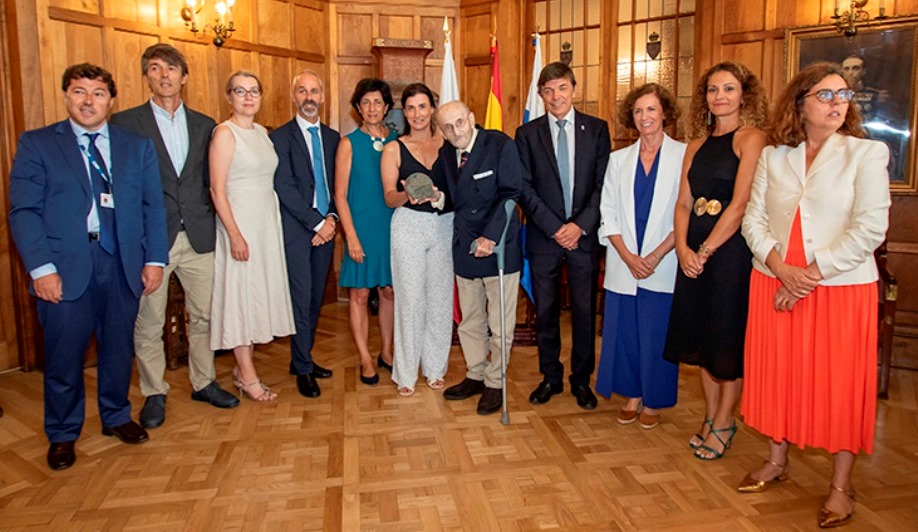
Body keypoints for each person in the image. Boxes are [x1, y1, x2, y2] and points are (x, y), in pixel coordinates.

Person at [739, 62, 890, 529]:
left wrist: (807, 276)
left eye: (844, 95)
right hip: (773, 280)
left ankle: (841, 485)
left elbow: (871, 228)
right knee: (779, 376)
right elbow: (753, 221)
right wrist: (782, 270)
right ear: (800, 102)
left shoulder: (866, 153)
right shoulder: (774, 156)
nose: (838, 103)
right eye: (826, 95)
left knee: (840, 385)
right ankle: (777, 460)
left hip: (839, 289)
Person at [8, 63, 168, 470]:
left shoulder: (136, 146)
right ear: (66, 96)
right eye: (79, 91)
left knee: (118, 350)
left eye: (98, 93)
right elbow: (24, 211)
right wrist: (41, 268)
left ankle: (116, 416)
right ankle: (62, 433)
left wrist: (154, 260)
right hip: (64, 268)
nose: (88, 100)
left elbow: (153, 206)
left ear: (110, 101)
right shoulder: (38, 144)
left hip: (122, 265)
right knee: (64, 357)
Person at [111, 43, 238, 430]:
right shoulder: (125, 124)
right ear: (146, 76)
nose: (164, 75)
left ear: (184, 76)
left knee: (203, 316)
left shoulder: (205, 124)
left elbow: (210, 181)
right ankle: (154, 391)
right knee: (149, 321)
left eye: (171, 69)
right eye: (155, 68)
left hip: (199, 235)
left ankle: (204, 382)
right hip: (152, 241)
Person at [662, 61, 767, 460]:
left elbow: (740, 205)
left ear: (744, 95)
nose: (719, 96)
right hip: (693, 253)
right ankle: (709, 416)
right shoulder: (696, 144)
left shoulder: (752, 138)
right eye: (712, 89)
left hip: (731, 254)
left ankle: (725, 421)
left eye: (728, 89)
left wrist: (704, 252)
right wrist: (684, 249)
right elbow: (684, 203)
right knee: (700, 339)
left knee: (725, 340)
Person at [515, 61, 610, 410]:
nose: (556, 96)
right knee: (547, 312)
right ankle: (550, 377)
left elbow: (603, 186)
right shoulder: (527, 134)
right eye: (548, 90)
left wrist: (579, 225)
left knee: (585, 312)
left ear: (574, 88)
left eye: (562, 88)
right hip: (544, 238)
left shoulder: (597, 130)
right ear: (541, 95)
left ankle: (582, 380)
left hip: (583, 238)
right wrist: (555, 228)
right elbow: (524, 188)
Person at [595, 83, 685, 429]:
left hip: (665, 259)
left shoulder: (684, 155)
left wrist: (658, 254)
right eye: (638, 111)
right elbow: (608, 212)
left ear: (664, 113)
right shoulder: (618, 160)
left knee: (657, 330)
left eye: (651, 109)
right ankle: (632, 393)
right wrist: (628, 255)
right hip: (624, 260)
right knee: (627, 330)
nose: (645, 117)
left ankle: (655, 398)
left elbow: (686, 211)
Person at [209, 71, 295, 401]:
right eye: (240, 91)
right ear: (228, 97)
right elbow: (218, 190)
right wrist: (235, 235)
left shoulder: (261, 132)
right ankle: (246, 375)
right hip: (239, 224)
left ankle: (242, 368)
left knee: (257, 293)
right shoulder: (225, 134)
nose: (248, 97)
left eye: (254, 91)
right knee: (240, 298)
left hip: (265, 225)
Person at [437, 100, 522, 416]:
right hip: (465, 248)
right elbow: (454, 199)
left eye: (459, 122)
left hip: (497, 247)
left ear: (471, 119)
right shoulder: (447, 153)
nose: (455, 130)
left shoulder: (500, 145)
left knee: (500, 324)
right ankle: (475, 373)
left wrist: (491, 236)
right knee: (470, 318)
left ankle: (496, 383)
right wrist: (437, 197)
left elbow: (512, 193)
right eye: (447, 127)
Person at [380, 83, 453, 397]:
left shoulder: (449, 143)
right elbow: (388, 197)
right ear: (404, 112)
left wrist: (439, 197)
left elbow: (460, 191)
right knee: (410, 301)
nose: (417, 114)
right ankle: (406, 373)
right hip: (408, 226)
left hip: (444, 224)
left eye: (422, 106)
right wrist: (406, 195)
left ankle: (436, 368)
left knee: (440, 300)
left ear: (432, 109)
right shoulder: (393, 148)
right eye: (410, 108)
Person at [271, 69, 340, 399]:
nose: (309, 97)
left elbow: (341, 187)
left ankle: (304, 357)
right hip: (298, 231)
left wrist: (331, 220)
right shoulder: (280, 138)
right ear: (294, 96)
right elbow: (284, 186)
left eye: (314, 91)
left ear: (323, 96)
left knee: (315, 299)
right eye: (302, 91)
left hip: (327, 228)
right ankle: (302, 367)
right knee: (300, 298)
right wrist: (316, 223)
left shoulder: (333, 138)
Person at [334, 78, 398, 386]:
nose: (372, 108)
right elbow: (340, 195)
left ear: (386, 107)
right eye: (366, 103)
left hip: (392, 229)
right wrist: (351, 238)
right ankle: (364, 358)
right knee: (359, 295)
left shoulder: (398, 140)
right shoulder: (349, 143)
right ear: (358, 108)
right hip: (361, 230)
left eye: (378, 102)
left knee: (389, 292)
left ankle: (387, 351)